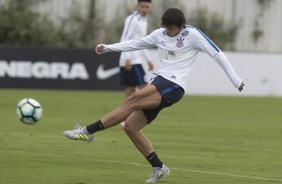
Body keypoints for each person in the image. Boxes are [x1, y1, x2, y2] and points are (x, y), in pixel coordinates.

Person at [63, 8, 244, 183]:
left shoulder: (192, 35)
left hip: (174, 85)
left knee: (132, 100)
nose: (168, 32)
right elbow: (135, 43)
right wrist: (107, 48)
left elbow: (217, 54)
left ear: (181, 26)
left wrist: (235, 80)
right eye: (166, 27)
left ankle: (87, 131)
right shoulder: (160, 34)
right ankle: (159, 167)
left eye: (171, 29)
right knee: (131, 127)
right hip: (160, 80)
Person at [119, 0, 154, 127]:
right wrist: (127, 57)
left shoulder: (144, 21)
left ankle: (122, 119)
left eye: (147, 7)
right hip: (131, 61)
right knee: (145, 90)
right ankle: (134, 120)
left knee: (129, 91)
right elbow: (125, 38)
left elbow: (142, 43)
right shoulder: (132, 19)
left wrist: (148, 59)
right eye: (142, 6)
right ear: (137, 6)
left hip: (137, 60)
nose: (144, 8)